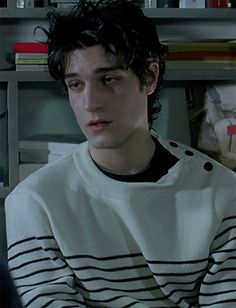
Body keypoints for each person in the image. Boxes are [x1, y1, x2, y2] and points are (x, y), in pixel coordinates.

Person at [4, 0, 236, 307]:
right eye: (75, 84)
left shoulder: (221, 192)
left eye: (108, 79)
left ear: (149, 77)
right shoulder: (34, 202)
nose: (90, 103)